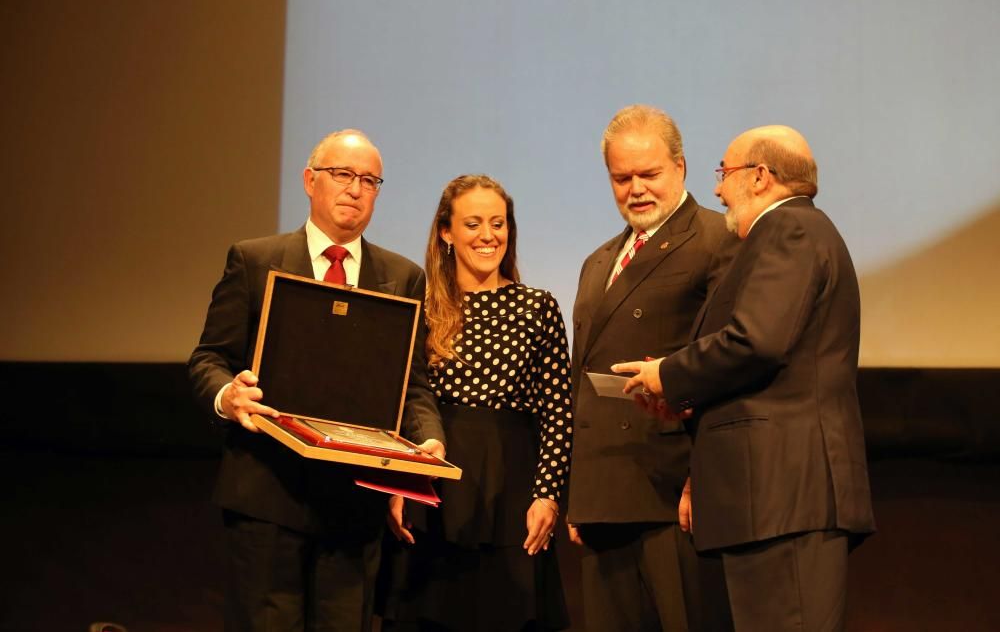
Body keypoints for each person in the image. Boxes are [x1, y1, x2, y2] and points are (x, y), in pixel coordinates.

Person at [616, 125, 877, 631]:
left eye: (724, 173)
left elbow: (757, 341)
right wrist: (686, 398)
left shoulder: (790, 230)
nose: (716, 189)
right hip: (773, 499)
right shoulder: (790, 234)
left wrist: (668, 373)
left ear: (760, 177)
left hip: (785, 496)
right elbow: (775, 360)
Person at [188, 129, 445, 632]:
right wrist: (229, 396)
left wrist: (428, 437)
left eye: (369, 180)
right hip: (266, 495)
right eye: (343, 174)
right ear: (310, 181)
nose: (355, 189)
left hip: (353, 507)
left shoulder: (402, 277)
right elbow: (208, 359)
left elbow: (411, 384)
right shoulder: (254, 260)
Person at [565, 104, 737, 632]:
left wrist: (702, 478)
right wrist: (579, 492)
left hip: (672, 493)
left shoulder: (717, 239)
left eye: (649, 174)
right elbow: (582, 382)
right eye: (622, 178)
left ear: (681, 167)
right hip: (603, 493)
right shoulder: (598, 261)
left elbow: (727, 365)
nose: (635, 188)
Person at [382, 174, 572, 631]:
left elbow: (559, 413)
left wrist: (547, 495)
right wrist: (394, 488)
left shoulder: (537, 306)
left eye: (498, 223)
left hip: (512, 493)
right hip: (434, 491)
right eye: (473, 224)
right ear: (446, 232)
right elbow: (398, 403)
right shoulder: (421, 306)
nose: (489, 236)